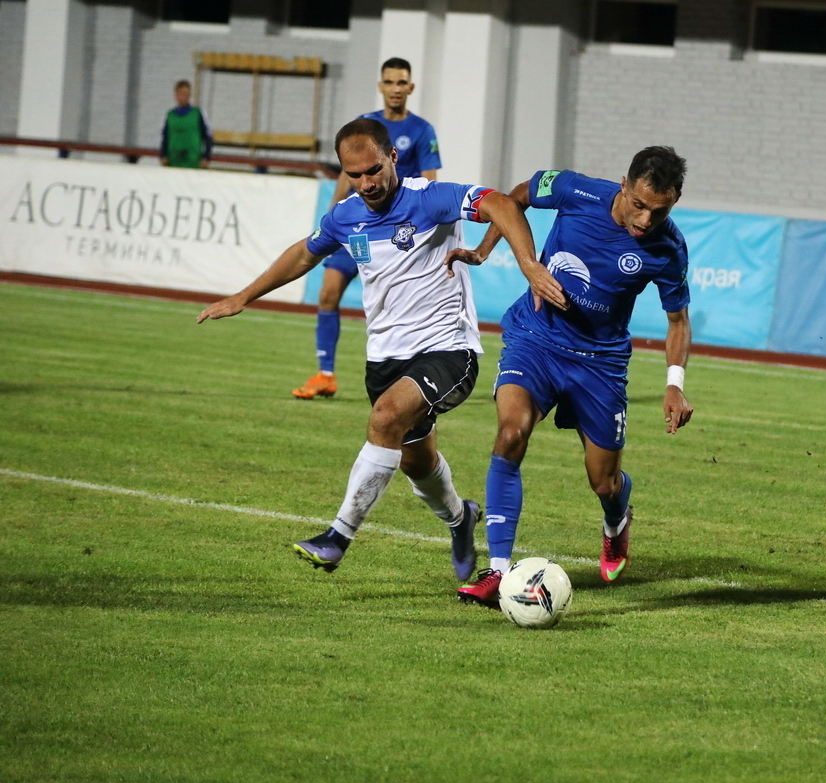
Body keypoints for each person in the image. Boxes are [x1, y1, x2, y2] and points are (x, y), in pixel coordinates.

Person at [196, 118, 545, 581]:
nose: (366, 183)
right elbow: (305, 253)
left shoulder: (428, 198)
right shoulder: (346, 214)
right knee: (416, 462)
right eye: (354, 174)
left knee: (384, 418)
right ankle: (461, 520)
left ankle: (337, 537)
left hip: (448, 350)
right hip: (385, 357)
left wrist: (526, 265)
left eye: (373, 170)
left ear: (392, 158)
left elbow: (501, 203)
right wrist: (243, 296)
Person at [452, 146, 695, 608]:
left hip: (599, 363)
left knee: (603, 481)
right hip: (536, 339)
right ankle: (498, 573)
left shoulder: (668, 248)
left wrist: (674, 383)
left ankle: (616, 520)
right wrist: (487, 252)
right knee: (510, 434)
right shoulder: (574, 189)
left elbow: (678, 321)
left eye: (659, 211)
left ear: (674, 202)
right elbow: (515, 198)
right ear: (624, 185)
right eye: (639, 205)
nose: (645, 220)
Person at [293, 57, 442, 400]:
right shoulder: (364, 125)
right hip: (360, 225)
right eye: (389, 82)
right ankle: (325, 374)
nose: (395, 89)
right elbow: (350, 173)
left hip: (400, 233)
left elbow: (430, 183)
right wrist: (332, 215)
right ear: (380, 86)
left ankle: (411, 375)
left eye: (401, 82)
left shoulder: (422, 130)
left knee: (399, 305)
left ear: (411, 88)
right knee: (328, 291)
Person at [160, 80, 213, 169]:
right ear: (176, 95)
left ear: (189, 95)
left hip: (193, 161)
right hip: (174, 160)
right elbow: (165, 137)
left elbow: (208, 136)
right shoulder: (170, 115)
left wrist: (206, 157)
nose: (183, 97)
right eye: (180, 93)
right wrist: (163, 155)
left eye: (185, 94)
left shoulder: (198, 114)